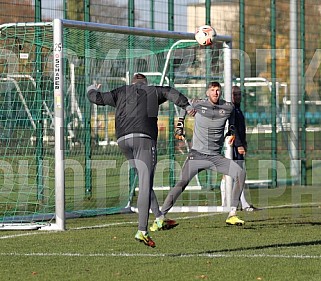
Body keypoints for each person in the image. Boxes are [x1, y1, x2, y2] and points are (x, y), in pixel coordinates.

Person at [87, 73, 194, 248]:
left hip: (123, 141)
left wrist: (91, 89)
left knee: (144, 181)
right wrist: (187, 105)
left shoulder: (121, 91)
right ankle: (142, 231)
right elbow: (169, 91)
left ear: (132, 83)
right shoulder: (152, 91)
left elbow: (97, 99)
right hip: (143, 139)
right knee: (145, 183)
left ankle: (159, 217)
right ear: (145, 83)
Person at [154, 81, 246, 228]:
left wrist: (232, 131)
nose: (216, 93)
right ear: (207, 92)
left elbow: (232, 118)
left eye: (218, 90)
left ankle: (232, 214)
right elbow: (184, 105)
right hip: (197, 156)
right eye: (213, 90)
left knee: (240, 173)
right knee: (181, 184)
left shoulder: (228, 107)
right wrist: (180, 125)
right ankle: (160, 217)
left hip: (216, 157)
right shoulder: (198, 104)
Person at [220, 85, 261, 211]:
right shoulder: (230, 109)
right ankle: (229, 204)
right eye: (234, 94)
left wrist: (244, 142)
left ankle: (242, 203)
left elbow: (240, 128)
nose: (237, 97)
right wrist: (238, 144)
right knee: (233, 173)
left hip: (237, 144)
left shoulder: (237, 109)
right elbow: (232, 129)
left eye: (239, 94)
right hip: (232, 145)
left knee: (238, 174)